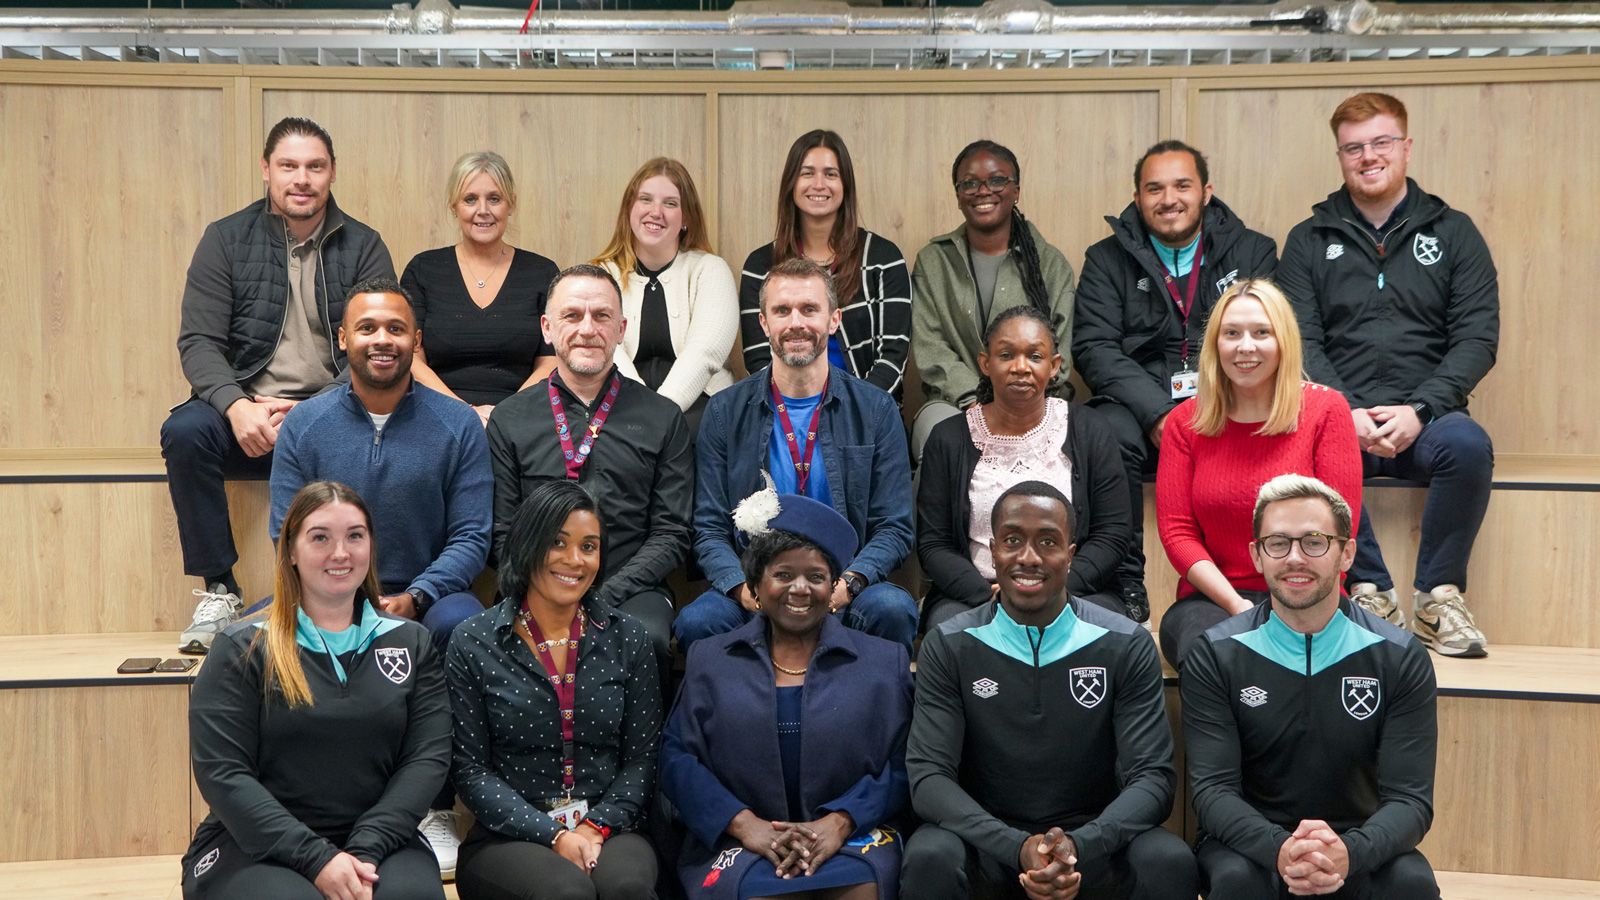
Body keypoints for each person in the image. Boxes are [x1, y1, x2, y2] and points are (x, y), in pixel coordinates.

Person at [1278, 91, 1498, 658]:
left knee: (1470, 446)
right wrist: (1342, 411)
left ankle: (1437, 599)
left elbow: (1477, 339)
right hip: (1338, 417)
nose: (1368, 156)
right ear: (1340, 156)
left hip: (1430, 419)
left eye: (1380, 143)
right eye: (1353, 147)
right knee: (1300, 446)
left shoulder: (1455, 233)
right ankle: (1369, 589)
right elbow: (1300, 339)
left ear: (1405, 147)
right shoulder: (1308, 240)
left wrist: (1421, 410)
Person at [163, 116, 394, 655]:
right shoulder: (225, 239)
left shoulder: (364, 245)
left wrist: (317, 409)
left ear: (332, 173)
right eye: (289, 166)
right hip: (246, 413)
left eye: (315, 166)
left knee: (385, 434)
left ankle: (360, 596)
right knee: (184, 432)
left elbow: (378, 347)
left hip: (335, 407)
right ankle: (220, 588)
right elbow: (198, 342)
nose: (302, 178)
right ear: (266, 170)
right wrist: (236, 406)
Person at [902, 482, 1197, 900]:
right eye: (1012, 540)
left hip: (1093, 845)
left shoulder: (1124, 644)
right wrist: (1016, 848)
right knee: (930, 854)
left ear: (1071, 554)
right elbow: (929, 779)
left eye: (1047, 542)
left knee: (1168, 861)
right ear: (992, 551)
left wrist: (1077, 847)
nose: (1028, 557)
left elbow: (1153, 779)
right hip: (987, 845)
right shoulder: (950, 644)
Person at [183, 480, 450, 900]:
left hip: (378, 838)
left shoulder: (411, 643)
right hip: (253, 843)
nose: (340, 553)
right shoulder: (243, 647)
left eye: (354, 536)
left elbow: (427, 759)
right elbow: (223, 773)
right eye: (320, 537)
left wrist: (363, 849)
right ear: (291, 551)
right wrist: (318, 860)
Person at [1182, 474, 1440, 899]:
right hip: (1251, 848)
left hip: (1359, 845)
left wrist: (1348, 853)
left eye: (1314, 541)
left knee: (1411, 884)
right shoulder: (1216, 653)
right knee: (1234, 882)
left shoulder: (1399, 655)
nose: (1295, 558)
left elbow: (1411, 802)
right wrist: (1280, 849)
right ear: (1257, 556)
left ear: (1346, 553)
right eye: (1278, 543)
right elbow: (1213, 792)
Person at [661, 489, 912, 900]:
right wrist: (746, 826)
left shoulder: (884, 662)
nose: (800, 588)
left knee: (859, 891)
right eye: (783, 575)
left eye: (815, 577)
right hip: (738, 841)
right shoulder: (711, 658)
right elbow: (676, 760)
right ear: (756, 585)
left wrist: (842, 821)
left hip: (852, 836)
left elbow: (904, 764)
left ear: (833, 586)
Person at [1073, 140, 1279, 623]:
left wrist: (1208, 408)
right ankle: (1124, 581)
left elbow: (1267, 342)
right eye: (1155, 188)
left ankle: (1252, 577)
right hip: (1139, 406)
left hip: (1227, 400)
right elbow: (1094, 347)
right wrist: (1159, 414)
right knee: (1100, 431)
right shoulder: (1106, 258)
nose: (1169, 199)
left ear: (1206, 191)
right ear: (1138, 197)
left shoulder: (1252, 250)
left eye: (1182, 185)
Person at [679, 258, 918, 654]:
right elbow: (707, 528)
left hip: (844, 584)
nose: (796, 322)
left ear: (834, 320)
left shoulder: (876, 410)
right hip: (753, 583)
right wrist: (746, 592)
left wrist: (848, 586)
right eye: (782, 310)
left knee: (893, 609)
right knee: (698, 621)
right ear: (763, 323)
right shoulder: (724, 410)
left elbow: (894, 527)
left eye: (810, 309)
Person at [447, 479, 661, 900]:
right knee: (567, 893)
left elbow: (643, 759)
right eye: (558, 543)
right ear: (527, 545)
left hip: (610, 826)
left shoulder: (629, 638)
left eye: (589, 546)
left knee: (627, 889)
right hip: (509, 835)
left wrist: (594, 826)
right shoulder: (473, 641)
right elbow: (469, 771)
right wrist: (554, 835)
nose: (574, 560)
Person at [487, 264, 692, 681]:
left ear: (621, 329)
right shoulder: (510, 418)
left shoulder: (663, 417)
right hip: (534, 585)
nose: (587, 328)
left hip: (632, 588)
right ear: (547, 328)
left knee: (647, 637)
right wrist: (551, 586)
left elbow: (672, 533)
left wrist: (603, 594)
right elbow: (501, 531)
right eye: (571, 315)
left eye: (601, 316)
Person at [270, 278, 491, 657]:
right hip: (326, 589)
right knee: (250, 635)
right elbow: (286, 533)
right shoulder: (303, 424)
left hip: (432, 598)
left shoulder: (460, 424)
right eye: (367, 328)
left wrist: (417, 596)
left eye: (396, 329)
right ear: (343, 338)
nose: (382, 340)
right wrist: (345, 596)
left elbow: (472, 536)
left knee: (465, 626)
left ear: (416, 342)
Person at [1155, 278, 1361, 669]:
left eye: (1261, 333)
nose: (1245, 347)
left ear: (1283, 341)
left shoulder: (1327, 411)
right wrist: (1237, 606)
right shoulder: (1185, 422)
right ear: (1215, 344)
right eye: (1231, 333)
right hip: (1214, 599)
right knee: (1213, 655)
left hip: (1310, 590)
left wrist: (1287, 603)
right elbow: (1177, 532)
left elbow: (1339, 528)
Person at [917, 305, 1131, 629]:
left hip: (1074, 592)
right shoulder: (948, 439)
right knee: (948, 634)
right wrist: (989, 597)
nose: (1021, 367)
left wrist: (1058, 592)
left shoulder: (1089, 431)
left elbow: (1112, 534)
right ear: (985, 363)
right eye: (1006, 356)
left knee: (1111, 633)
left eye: (1034, 356)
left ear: (1054, 365)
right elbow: (934, 544)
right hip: (976, 595)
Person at [909, 140, 1076, 462]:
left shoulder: (1050, 264)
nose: (982, 190)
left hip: (1038, 401)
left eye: (997, 180)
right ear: (958, 196)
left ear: (1016, 191)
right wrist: (976, 400)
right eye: (969, 183)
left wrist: (1013, 403)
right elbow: (931, 348)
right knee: (938, 434)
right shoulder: (934, 262)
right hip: (953, 402)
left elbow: (1060, 354)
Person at [739, 129, 912, 400]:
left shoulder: (883, 258)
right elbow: (758, 359)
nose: (819, 184)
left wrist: (855, 411)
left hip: (867, 412)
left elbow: (892, 358)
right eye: (807, 173)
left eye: (831, 174)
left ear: (846, 185)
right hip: (785, 411)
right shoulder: (761, 265)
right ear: (791, 184)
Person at [399, 151, 560, 426]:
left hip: (523, 418)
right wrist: (465, 413)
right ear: (454, 206)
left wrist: (504, 415)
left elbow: (551, 361)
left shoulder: (542, 272)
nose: (482, 210)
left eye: (494, 199)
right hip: (437, 416)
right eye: (470, 199)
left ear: (511, 204)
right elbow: (411, 358)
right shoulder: (423, 269)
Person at [591, 157, 738, 437]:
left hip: (700, 403)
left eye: (670, 203)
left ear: (686, 219)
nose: (655, 212)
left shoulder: (711, 270)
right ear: (629, 210)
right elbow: (607, 350)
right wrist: (640, 411)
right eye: (645, 199)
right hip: (619, 402)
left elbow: (705, 353)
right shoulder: (601, 274)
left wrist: (657, 416)